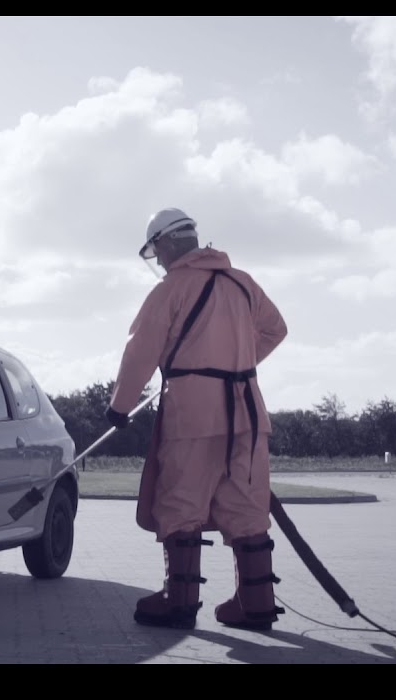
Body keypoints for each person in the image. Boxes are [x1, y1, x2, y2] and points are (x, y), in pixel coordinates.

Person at [105, 207, 288, 631]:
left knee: (181, 503)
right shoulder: (244, 283)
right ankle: (256, 603)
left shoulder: (171, 289)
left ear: (167, 243)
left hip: (192, 415)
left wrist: (119, 406)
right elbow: (275, 330)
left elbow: (140, 351)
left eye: (156, 252)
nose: (159, 261)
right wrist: (235, 363)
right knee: (245, 505)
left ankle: (179, 600)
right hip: (248, 413)